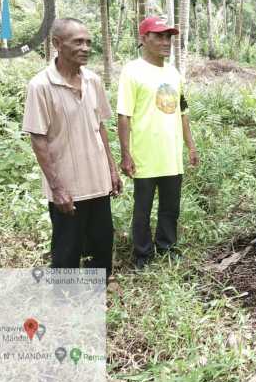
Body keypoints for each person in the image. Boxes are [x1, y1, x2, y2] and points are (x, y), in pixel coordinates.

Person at [23, 18, 122, 279]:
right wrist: (57, 188)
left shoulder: (93, 81)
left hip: (98, 181)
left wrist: (112, 170)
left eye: (88, 42)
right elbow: (38, 139)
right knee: (67, 246)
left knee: (101, 241)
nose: (86, 47)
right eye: (78, 41)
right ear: (57, 44)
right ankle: (64, 298)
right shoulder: (40, 86)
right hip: (67, 187)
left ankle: (98, 288)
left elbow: (99, 126)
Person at [117, 16, 199, 269]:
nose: (166, 42)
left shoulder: (173, 73)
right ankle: (143, 254)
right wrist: (126, 154)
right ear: (144, 39)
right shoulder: (132, 71)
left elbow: (182, 110)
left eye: (169, 37)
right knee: (142, 210)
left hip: (171, 154)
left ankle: (166, 246)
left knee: (169, 207)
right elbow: (124, 115)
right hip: (144, 155)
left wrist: (191, 145)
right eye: (159, 36)